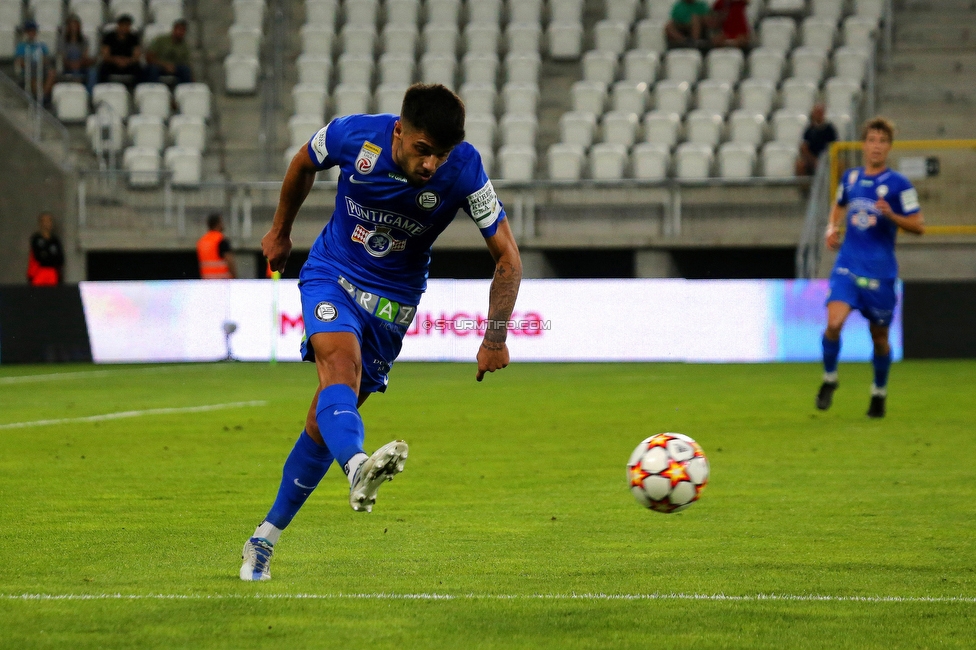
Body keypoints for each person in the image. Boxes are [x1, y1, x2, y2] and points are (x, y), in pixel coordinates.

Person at [240, 83, 522, 581]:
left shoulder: (468, 168)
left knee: (322, 420)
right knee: (338, 368)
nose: (432, 164)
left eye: (442, 154)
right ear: (399, 131)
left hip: (394, 304)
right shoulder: (353, 135)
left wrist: (495, 337)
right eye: (422, 150)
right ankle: (358, 467)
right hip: (333, 272)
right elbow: (302, 162)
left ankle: (264, 538)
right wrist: (281, 231)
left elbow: (508, 257)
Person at [816, 117, 925, 418]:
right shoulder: (850, 178)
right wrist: (831, 227)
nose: (876, 146)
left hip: (880, 273)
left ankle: (879, 392)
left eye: (882, 141)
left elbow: (919, 226)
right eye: (872, 140)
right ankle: (830, 378)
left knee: (879, 338)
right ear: (864, 145)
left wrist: (892, 215)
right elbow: (839, 205)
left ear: (889, 147)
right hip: (848, 266)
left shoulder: (899, 185)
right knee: (834, 323)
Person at [14, 20, 56, 102]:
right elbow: (21, 62)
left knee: (51, 73)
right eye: (29, 31)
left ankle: (43, 95)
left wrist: (40, 63)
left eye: (33, 31)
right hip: (28, 69)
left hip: (40, 67)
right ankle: (37, 96)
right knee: (33, 74)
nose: (31, 33)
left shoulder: (41, 45)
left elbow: (46, 60)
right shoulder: (21, 46)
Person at [98, 14, 142, 87]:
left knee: (139, 69)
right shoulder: (109, 37)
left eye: (127, 26)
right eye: (123, 25)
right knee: (103, 68)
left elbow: (136, 55)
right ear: (118, 25)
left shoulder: (134, 38)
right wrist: (116, 60)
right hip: (112, 63)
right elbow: (105, 55)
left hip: (128, 63)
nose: (125, 28)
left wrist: (127, 61)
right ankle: (104, 87)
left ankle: (136, 89)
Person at [146, 19, 193, 85]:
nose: (181, 32)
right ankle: (156, 89)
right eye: (179, 29)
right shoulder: (161, 40)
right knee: (152, 70)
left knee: (185, 70)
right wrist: (164, 65)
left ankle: (184, 90)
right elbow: (149, 57)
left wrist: (173, 66)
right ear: (174, 29)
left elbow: (185, 62)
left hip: (175, 67)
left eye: (183, 30)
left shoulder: (184, 45)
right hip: (159, 65)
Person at [796, 104, 838, 177]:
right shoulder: (809, 130)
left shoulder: (830, 129)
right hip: (812, 159)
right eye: (816, 112)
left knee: (841, 164)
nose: (818, 114)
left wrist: (826, 159)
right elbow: (804, 147)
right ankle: (805, 187)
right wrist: (813, 160)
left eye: (820, 112)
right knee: (800, 165)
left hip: (827, 158)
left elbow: (835, 145)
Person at [59, 14, 97, 91]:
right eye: (71, 25)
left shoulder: (84, 40)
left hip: (81, 64)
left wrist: (79, 63)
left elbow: (84, 56)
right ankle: (77, 83)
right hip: (68, 65)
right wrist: (72, 64)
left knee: (93, 72)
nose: (74, 28)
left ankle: (88, 93)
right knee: (73, 54)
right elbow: (63, 57)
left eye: (75, 25)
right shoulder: (62, 40)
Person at [27, 212, 64, 286]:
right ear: (40, 223)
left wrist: (48, 256)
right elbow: (38, 256)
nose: (47, 223)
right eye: (45, 221)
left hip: (52, 272)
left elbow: (60, 258)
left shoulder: (55, 240)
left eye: (49, 221)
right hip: (39, 271)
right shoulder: (36, 239)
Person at [197, 213, 237, 279]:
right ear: (218, 223)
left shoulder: (202, 241)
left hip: (207, 281)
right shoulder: (221, 240)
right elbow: (230, 261)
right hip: (222, 282)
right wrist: (234, 278)